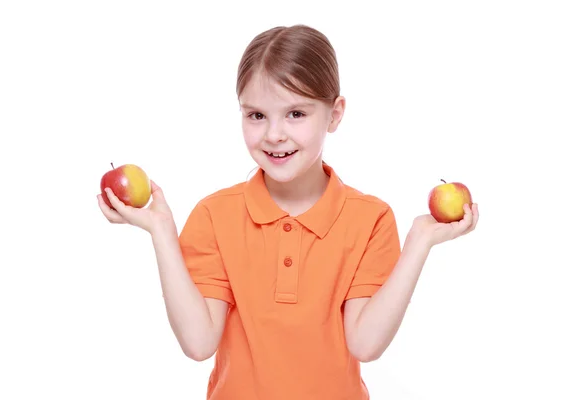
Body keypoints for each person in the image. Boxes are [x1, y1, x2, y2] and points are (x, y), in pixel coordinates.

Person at [97, 24, 479, 400]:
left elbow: (365, 344)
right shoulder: (215, 215)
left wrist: (419, 243)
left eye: (296, 114)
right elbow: (198, 344)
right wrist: (161, 231)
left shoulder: (371, 218)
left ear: (335, 113)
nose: (274, 134)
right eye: (256, 115)